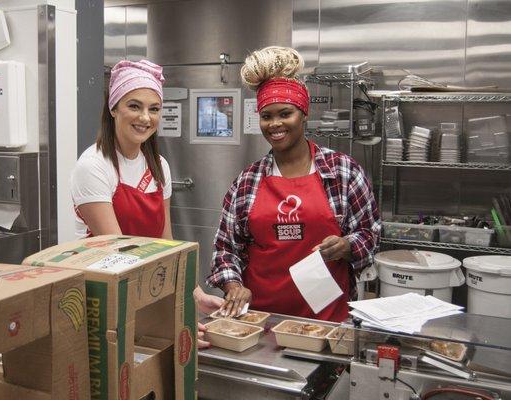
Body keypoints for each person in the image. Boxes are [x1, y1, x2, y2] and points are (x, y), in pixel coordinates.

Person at [206, 46, 381, 322]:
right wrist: (234, 285)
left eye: (285, 113)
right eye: (267, 116)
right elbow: (226, 247)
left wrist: (347, 245)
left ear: (304, 113)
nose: (275, 124)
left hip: (327, 319)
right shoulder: (247, 182)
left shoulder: (343, 171)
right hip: (260, 320)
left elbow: (371, 233)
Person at [70, 59, 222, 347]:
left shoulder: (158, 165)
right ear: (113, 108)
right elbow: (116, 249)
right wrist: (169, 318)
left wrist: (193, 293)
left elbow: (165, 241)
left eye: (154, 109)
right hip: (107, 297)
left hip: (147, 289)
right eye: (134, 106)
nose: (145, 118)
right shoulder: (93, 166)